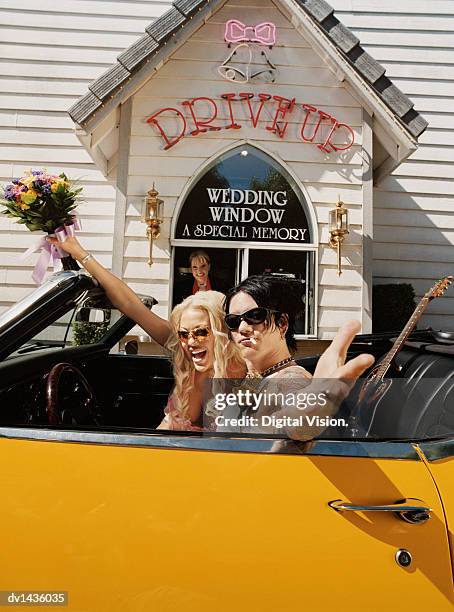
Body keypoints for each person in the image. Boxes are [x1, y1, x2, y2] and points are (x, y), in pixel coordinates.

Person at [46, 235, 245, 430]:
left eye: (201, 332)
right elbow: (129, 303)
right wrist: (80, 253)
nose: (190, 342)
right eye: (184, 334)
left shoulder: (246, 371)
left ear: (221, 331)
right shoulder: (183, 352)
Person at [222, 275, 375, 439]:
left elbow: (299, 422)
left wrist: (315, 406)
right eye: (233, 321)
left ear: (282, 324)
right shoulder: (256, 377)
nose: (243, 328)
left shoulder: (291, 378)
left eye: (255, 316)